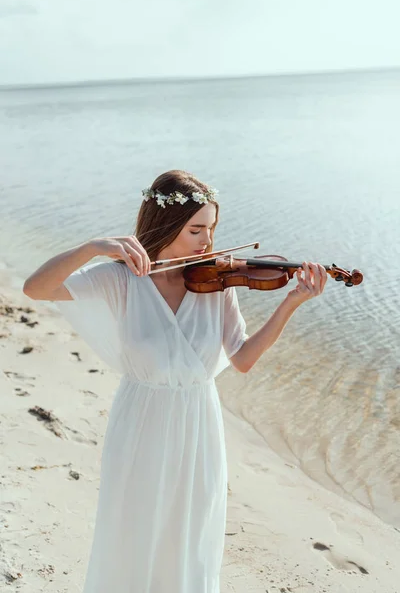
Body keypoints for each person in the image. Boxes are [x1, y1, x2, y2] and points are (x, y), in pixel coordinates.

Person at [23, 169, 327, 593]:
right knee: (133, 533)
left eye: (212, 229)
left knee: (190, 536)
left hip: (198, 423)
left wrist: (291, 303)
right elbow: (36, 288)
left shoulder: (217, 283)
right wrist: (92, 247)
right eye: (196, 229)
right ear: (167, 225)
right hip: (142, 422)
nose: (207, 242)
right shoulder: (120, 279)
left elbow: (241, 359)